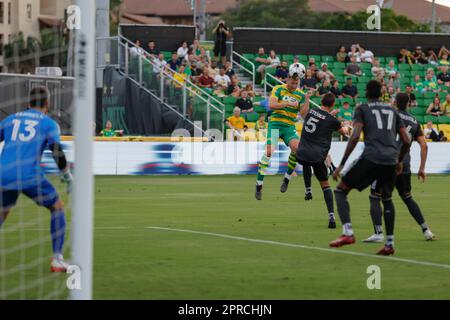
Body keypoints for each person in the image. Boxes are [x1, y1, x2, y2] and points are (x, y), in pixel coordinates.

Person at [330, 80, 411, 256]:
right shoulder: (393, 110)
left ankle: (348, 232)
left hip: (371, 157)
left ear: (366, 92)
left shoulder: (362, 108)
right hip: (390, 160)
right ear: (382, 93)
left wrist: (342, 164)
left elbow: (355, 136)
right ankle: (389, 244)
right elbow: (406, 139)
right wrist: (399, 159)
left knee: (341, 191)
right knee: (387, 199)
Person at [0, 87, 73, 272]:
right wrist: (67, 176)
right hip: (29, 174)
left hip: (4, 173)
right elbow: (56, 151)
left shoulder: (10, 119)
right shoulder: (48, 123)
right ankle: (57, 258)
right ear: (47, 105)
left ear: (28, 103)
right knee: (57, 207)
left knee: (2, 213)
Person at [364, 93, 435, 243]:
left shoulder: (389, 116)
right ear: (408, 104)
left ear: (395, 102)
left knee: (375, 196)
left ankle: (378, 233)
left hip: (386, 162)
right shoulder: (415, 121)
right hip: (405, 164)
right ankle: (426, 230)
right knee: (407, 197)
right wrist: (422, 168)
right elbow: (424, 145)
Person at [283, 93, 348, 229]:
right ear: (332, 104)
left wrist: (306, 98)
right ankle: (331, 216)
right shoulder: (332, 120)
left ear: (322, 101)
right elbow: (344, 133)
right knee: (325, 185)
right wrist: (345, 125)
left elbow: (304, 112)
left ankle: (307, 189)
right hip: (317, 156)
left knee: (306, 162)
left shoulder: (312, 112)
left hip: (302, 153)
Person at [255, 68, 311, 200]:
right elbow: (271, 105)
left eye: (296, 84)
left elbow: (303, 114)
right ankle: (259, 184)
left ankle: (287, 178)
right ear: (287, 80)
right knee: (269, 152)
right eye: (292, 83)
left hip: (289, 126)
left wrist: (307, 99)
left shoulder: (300, 94)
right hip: (275, 124)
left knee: (297, 149)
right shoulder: (278, 89)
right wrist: (286, 103)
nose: (293, 86)